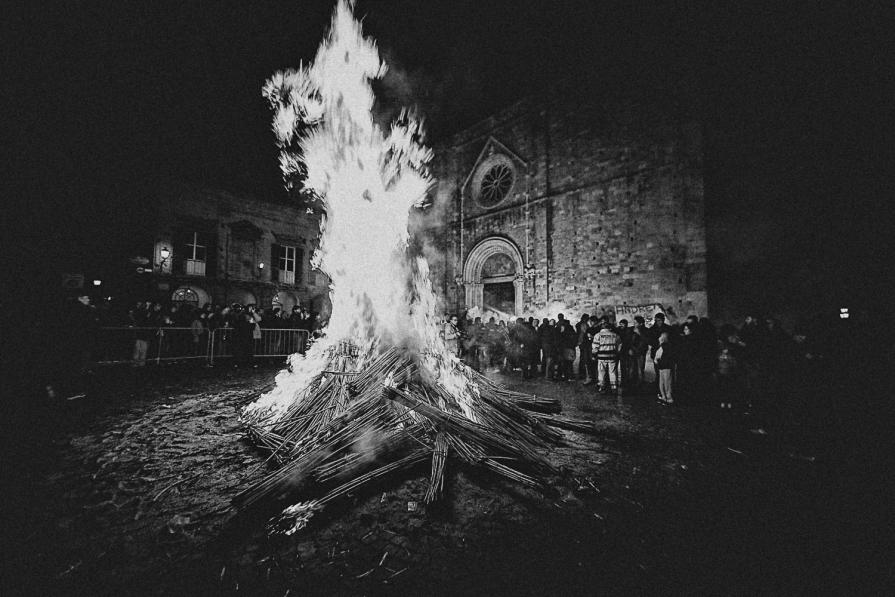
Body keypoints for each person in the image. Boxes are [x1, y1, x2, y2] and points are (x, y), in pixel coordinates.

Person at [593, 320, 622, 394]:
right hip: (612, 356)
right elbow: (619, 346)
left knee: (601, 372)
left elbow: (595, 347)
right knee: (612, 372)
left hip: (601, 357)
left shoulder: (598, 335)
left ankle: (602, 387)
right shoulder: (615, 335)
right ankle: (614, 387)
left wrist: (594, 355)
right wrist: (617, 353)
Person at [655, 331, 675, 405]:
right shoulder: (665, 346)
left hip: (664, 366)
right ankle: (666, 397)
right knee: (665, 382)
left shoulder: (664, 346)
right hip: (664, 366)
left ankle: (666, 397)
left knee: (665, 382)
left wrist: (657, 361)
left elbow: (659, 356)